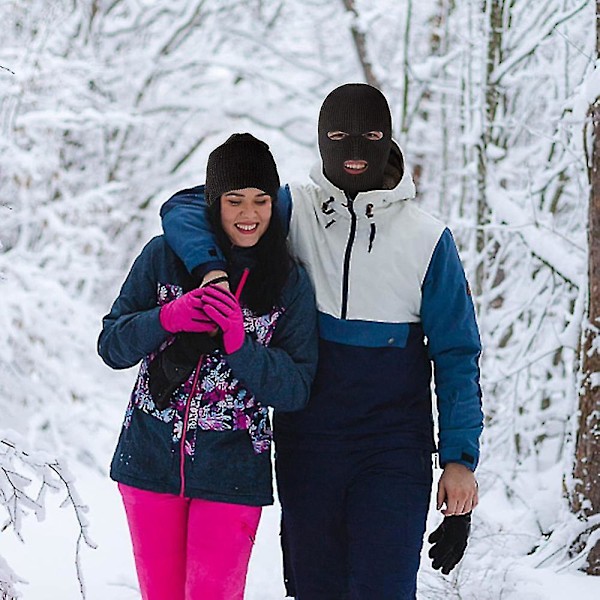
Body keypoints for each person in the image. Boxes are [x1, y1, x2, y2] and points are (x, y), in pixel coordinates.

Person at [159, 84, 483, 599]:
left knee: (383, 588)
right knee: (315, 588)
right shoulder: (290, 210)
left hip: (393, 447)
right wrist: (209, 269)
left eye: (371, 135)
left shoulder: (428, 239)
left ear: (389, 139)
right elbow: (184, 207)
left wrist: (459, 459)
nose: (354, 151)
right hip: (307, 441)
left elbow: (457, 355)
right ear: (319, 139)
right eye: (338, 135)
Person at [97, 133, 318, 600]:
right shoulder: (164, 257)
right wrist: (166, 318)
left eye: (260, 201)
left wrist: (242, 346)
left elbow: (297, 387)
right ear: (214, 203)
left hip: (233, 473)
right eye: (234, 200)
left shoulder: (289, 281)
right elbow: (112, 346)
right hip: (150, 462)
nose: (248, 214)